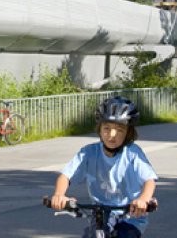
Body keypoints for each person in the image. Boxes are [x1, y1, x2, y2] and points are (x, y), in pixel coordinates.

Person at [48, 96, 158, 238]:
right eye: (107, 128)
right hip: (101, 216)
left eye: (119, 130)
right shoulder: (88, 153)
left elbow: (149, 180)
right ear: (99, 129)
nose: (112, 135)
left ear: (128, 133)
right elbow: (66, 176)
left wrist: (143, 199)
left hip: (131, 216)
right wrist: (59, 195)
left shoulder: (132, 153)